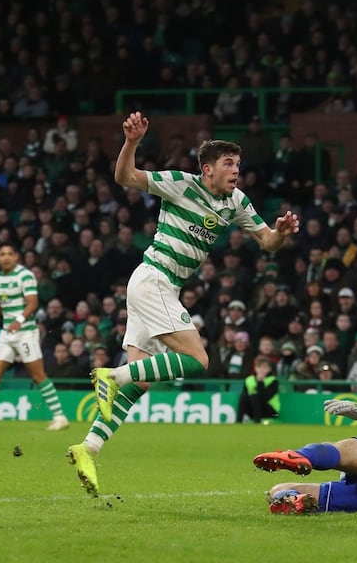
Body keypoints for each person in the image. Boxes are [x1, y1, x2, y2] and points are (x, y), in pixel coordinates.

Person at [68, 111, 300, 497]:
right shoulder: (180, 184)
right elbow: (125, 178)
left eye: (238, 165)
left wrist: (281, 233)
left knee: (141, 380)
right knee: (198, 360)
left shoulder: (236, 201)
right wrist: (132, 143)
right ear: (207, 170)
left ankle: (88, 447)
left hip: (160, 286)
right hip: (154, 278)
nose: (235, 171)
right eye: (228, 164)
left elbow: (267, 243)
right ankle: (111, 375)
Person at [0, 243, 69, 431]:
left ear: (16, 257)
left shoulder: (25, 275)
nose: (6, 257)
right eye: (2, 254)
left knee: (37, 375)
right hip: (6, 333)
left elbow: (33, 303)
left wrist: (18, 320)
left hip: (25, 332)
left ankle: (60, 417)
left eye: (10, 253)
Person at [237, 355, 280, 423]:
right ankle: (238, 421)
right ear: (255, 368)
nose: (261, 370)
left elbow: (264, 397)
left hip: (273, 413)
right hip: (253, 411)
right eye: (259, 367)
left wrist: (260, 383)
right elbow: (245, 397)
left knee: (255, 396)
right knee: (244, 396)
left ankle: (257, 422)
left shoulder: (273, 381)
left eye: (264, 367)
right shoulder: (249, 379)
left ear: (269, 369)